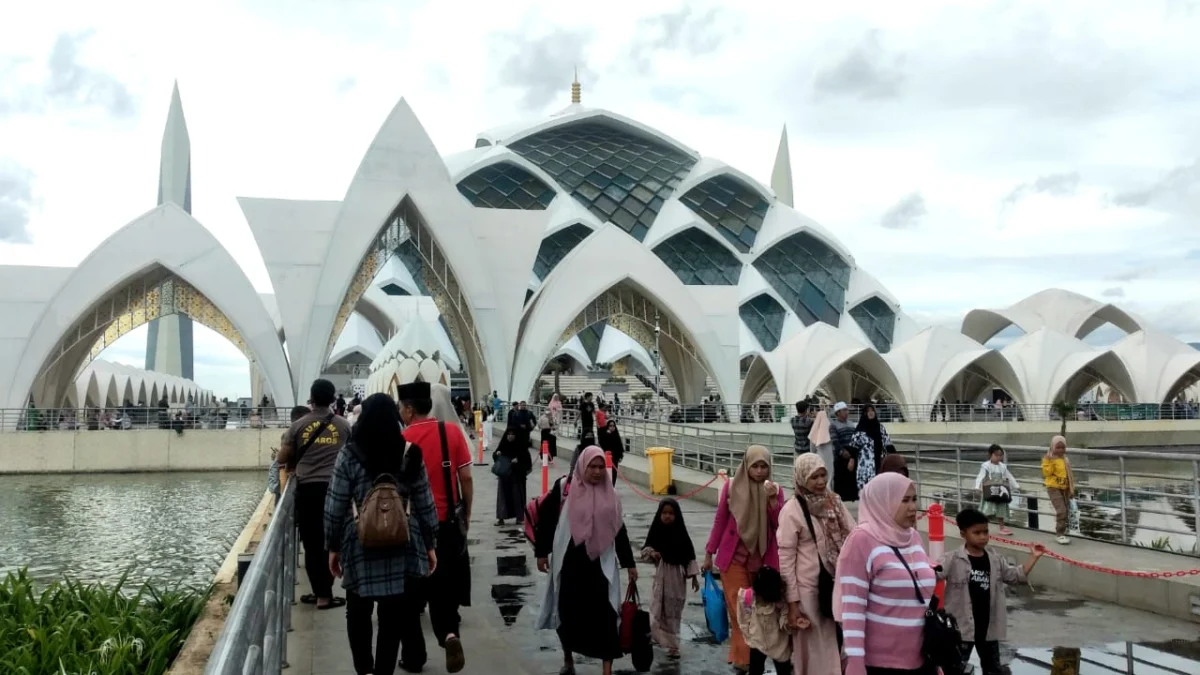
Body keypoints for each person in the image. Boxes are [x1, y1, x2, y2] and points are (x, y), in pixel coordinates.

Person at [323, 393, 439, 675]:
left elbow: (335, 504)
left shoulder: (349, 454)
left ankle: (364, 669)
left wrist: (333, 546)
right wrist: (430, 543)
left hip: (360, 540)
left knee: (358, 609)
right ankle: (384, 670)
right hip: (403, 538)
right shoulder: (410, 452)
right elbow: (424, 502)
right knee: (392, 613)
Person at [535, 446, 638, 675]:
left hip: (600, 566)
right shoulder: (564, 489)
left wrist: (629, 563)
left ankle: (607, 669)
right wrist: (541, 553)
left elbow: (618, 530)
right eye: (592, 466)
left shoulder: (611, 495)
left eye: (601, 467)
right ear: (583, 466)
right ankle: (568, 659)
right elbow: (548, 520)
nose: (598, 471)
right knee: (568, 614)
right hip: (571, 563)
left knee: (607, 616)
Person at [399, 381, 474, 673]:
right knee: (444, 590)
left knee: (410, 597)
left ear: (408, 409)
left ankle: (414, 657)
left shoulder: (403, 439)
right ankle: (449, 635)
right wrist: (466, 512)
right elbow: (466, 478)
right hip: (448, 525)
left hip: (414, 528)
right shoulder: (451, 432)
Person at [834, 472, 933, 675]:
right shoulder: (861, 540)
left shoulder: (912, 537)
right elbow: (852, 607)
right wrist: (855, 661)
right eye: (904, 500)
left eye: (914, 499)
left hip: (922, 658)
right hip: (880, 663)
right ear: (883, 501)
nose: (913, 507)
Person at [702, 445, 784, 671]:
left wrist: (773, 502)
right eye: (755, 466)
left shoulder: (775, 491)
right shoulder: (731, 488)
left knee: (761, 613)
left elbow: (780, 526)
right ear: (746, 466)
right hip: (733, 561)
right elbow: (720, 521)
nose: (759, 471)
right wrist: (709, 553)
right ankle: (743, 659)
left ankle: (753, 658)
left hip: (762, 563)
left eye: (763, 467)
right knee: (740, 611)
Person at [938, 508, 1044, 675]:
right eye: (977, 532)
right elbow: (935, 573)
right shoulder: (952, 559)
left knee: (993, 669)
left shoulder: (995, 559)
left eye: (985, 532)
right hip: (962, 628)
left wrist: (1034, 557)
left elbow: (1014, 576)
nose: (983, 537)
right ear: (963, 534)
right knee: (954, 668)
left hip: (988, 627)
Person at [277, 379, 352, 610]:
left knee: (311, 544)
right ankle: (325, 593)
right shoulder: (343, 425)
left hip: (307, 490)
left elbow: (282, 457)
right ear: (332, 398)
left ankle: (320, 593)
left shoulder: (298, 425)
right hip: (336, 491)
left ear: (311, 398)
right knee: (332, 543)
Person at [777, 454, 854, 675]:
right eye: (814, 477)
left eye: (823, 475)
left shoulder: (834, 502)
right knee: (814, 649)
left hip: (835, 584)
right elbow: (786, 559)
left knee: (837, 644)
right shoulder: (792, 510)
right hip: (808, 591)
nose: (821, 482)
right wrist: (792, 604)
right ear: (802, 479)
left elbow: (853, 534)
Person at [640, 498, 700, 660]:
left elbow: (689, 555)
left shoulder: (681, 533)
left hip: (676, 578)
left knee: (673, 610)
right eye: (664, 513)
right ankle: (658, 637)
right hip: (661, 575)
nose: (667, 516)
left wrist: (694, 577)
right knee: (657, 607)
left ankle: (673, 646)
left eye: (671, 513)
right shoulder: (657, 530)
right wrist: (652, 553)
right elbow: (646, 549)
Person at [735, 567, 793, 675]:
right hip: (757, 639)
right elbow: (743, 618)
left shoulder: (780, 602)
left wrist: (787, 624)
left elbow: (785, 617)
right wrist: (749, 636)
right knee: (755, 670)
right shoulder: (747, 597)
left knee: (784, 670)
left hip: (778, 641)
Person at [975, 445, 1020, 535]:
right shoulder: (986, 466)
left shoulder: (1003, 467)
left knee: (1001, 508)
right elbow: (980, 476)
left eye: (1001, 455)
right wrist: (977, 487)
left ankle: (1002, 527)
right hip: (989, 491)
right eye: (997, 455)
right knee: (987, 510)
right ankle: (982, 527)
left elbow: (1009, 476)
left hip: (1000, 491)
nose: (999, 457)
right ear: (991, 455)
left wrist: (1016, 486)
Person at [494, 428, 533, 525]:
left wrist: (518, 460)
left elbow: (527, 462)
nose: (510, 436)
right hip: (505, 476)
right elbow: (496, 456)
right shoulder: (503, 446)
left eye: (512, 434)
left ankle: (519, 518)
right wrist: (497, 454)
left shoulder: (521, 448)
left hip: (516, 475)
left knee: (517, 496)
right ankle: (501, 517)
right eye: (508, 434)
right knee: (503, 497)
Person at [1041, 435, 1075, 545]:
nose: (1060, 450)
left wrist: (1071, 490)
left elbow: (1070, 476)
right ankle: (1060, 534)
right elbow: (1046, 473)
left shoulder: (1065, 459)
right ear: (1052, 447)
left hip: (1064, 488)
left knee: (1066, 510)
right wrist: (1051, 461)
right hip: (1053, 487)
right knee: (1061, 510)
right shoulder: (1048, 458)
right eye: (1058, 447)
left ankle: (1063, 532)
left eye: (1062, 448)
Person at [828, 402, 859, 502]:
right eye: (844, 410)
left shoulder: (851, 424)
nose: (847, 412)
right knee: (841, 479)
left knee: (852, 478)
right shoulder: (833, 425)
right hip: (840, 457)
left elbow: (855, 439)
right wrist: (842, 452)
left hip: (852, 455)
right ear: (838, 413)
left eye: (847, 410)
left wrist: (852, 455)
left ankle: (852, 496)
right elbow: (835, 441)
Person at [855, 404, 892, 474]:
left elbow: (887, 441)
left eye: (872, 410)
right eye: (868, 411)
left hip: (880, 460)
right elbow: (854, 445)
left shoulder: (880, 427)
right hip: (866, 464)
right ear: (865, 414)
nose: (871, 412)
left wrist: (893, 455)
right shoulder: (860, 429)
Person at [598, 419, 624, 486]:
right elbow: (602, 443)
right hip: (607, 458)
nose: (612, 427)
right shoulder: (605, 435)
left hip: (615, 458)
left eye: (613, 426)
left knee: (614, 474)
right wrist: (607, 434)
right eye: (610, 426)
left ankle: (612, 487)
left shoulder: (616, 435)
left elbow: (620, 447)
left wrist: (620, 456)